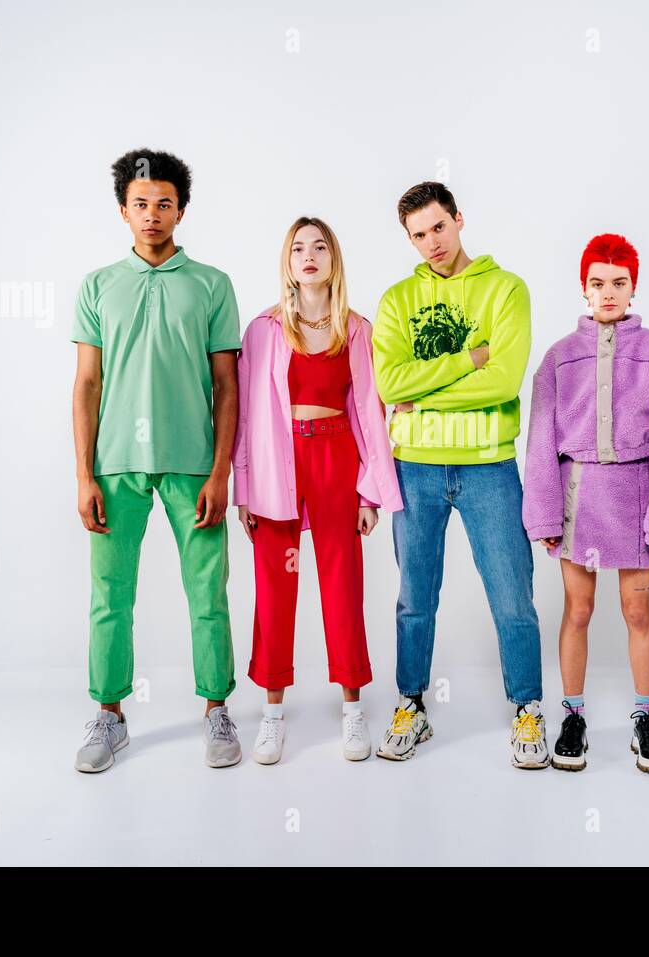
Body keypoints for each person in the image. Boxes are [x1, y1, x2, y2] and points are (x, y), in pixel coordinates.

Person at [70, 149, 242, 773]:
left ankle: (216, 708)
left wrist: (221, 472)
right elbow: (86, 384)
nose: (152, 214)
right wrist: (85, 474)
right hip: (115, 465)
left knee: (209, 594)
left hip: (194, 463)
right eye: (140, 204)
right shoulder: (97, 285)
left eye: (163, 203)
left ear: (181, 210)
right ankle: (109, 715)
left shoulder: (212, 285)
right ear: (123, 210)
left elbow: (229, 386)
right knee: (109, 594)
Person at [370, 181, 547, 769]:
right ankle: (411, 703)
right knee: (414, 597)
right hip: (414, 467)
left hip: (488, 465)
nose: (431, 243)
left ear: (459, 220)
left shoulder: (505, 289)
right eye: (418, 235)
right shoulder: (396, 300)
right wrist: (466, 361)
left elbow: (503, 380)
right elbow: (389, 384)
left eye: (438, 228)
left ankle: (527, 707)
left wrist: (427, 396)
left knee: (512, 594)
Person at [233, 217, 402, 764]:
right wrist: (245, 487)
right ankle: (272, 715)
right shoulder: (262, 330)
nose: (309, 256)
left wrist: (369, 491)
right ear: (287, 260)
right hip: (278, 463)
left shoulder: (355, 329)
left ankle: (353, 710)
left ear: (334, 259)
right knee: (274, 590)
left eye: (320, 247)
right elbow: (245, 415)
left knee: (342, 584)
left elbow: (370, 413)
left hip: (334, 459)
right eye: (298, 248)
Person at [523, 234, 649, 773]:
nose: (609, 292)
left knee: (638, 610)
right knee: (579, 609)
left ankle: (646, 718)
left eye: (619, 283)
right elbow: (540, 442)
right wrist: (544, 513)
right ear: (584, 288)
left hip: (638, 498)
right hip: (579, 500)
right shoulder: (557, 357)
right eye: (598, 283)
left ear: (634, 286)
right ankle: (572, 714)